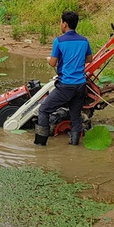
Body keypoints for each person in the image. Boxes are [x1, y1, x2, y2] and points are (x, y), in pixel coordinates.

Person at [34, 11, 93, 147]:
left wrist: (49, 59)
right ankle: (74, 144)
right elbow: (89, 59)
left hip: (66, 85)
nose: (60, 25)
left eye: (60, 22)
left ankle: (40, 144)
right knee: (75, 116)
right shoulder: (84, 40)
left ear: (65, 24)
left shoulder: (59, 41)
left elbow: (53, 63)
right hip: (80, 85)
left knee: (44, 109)